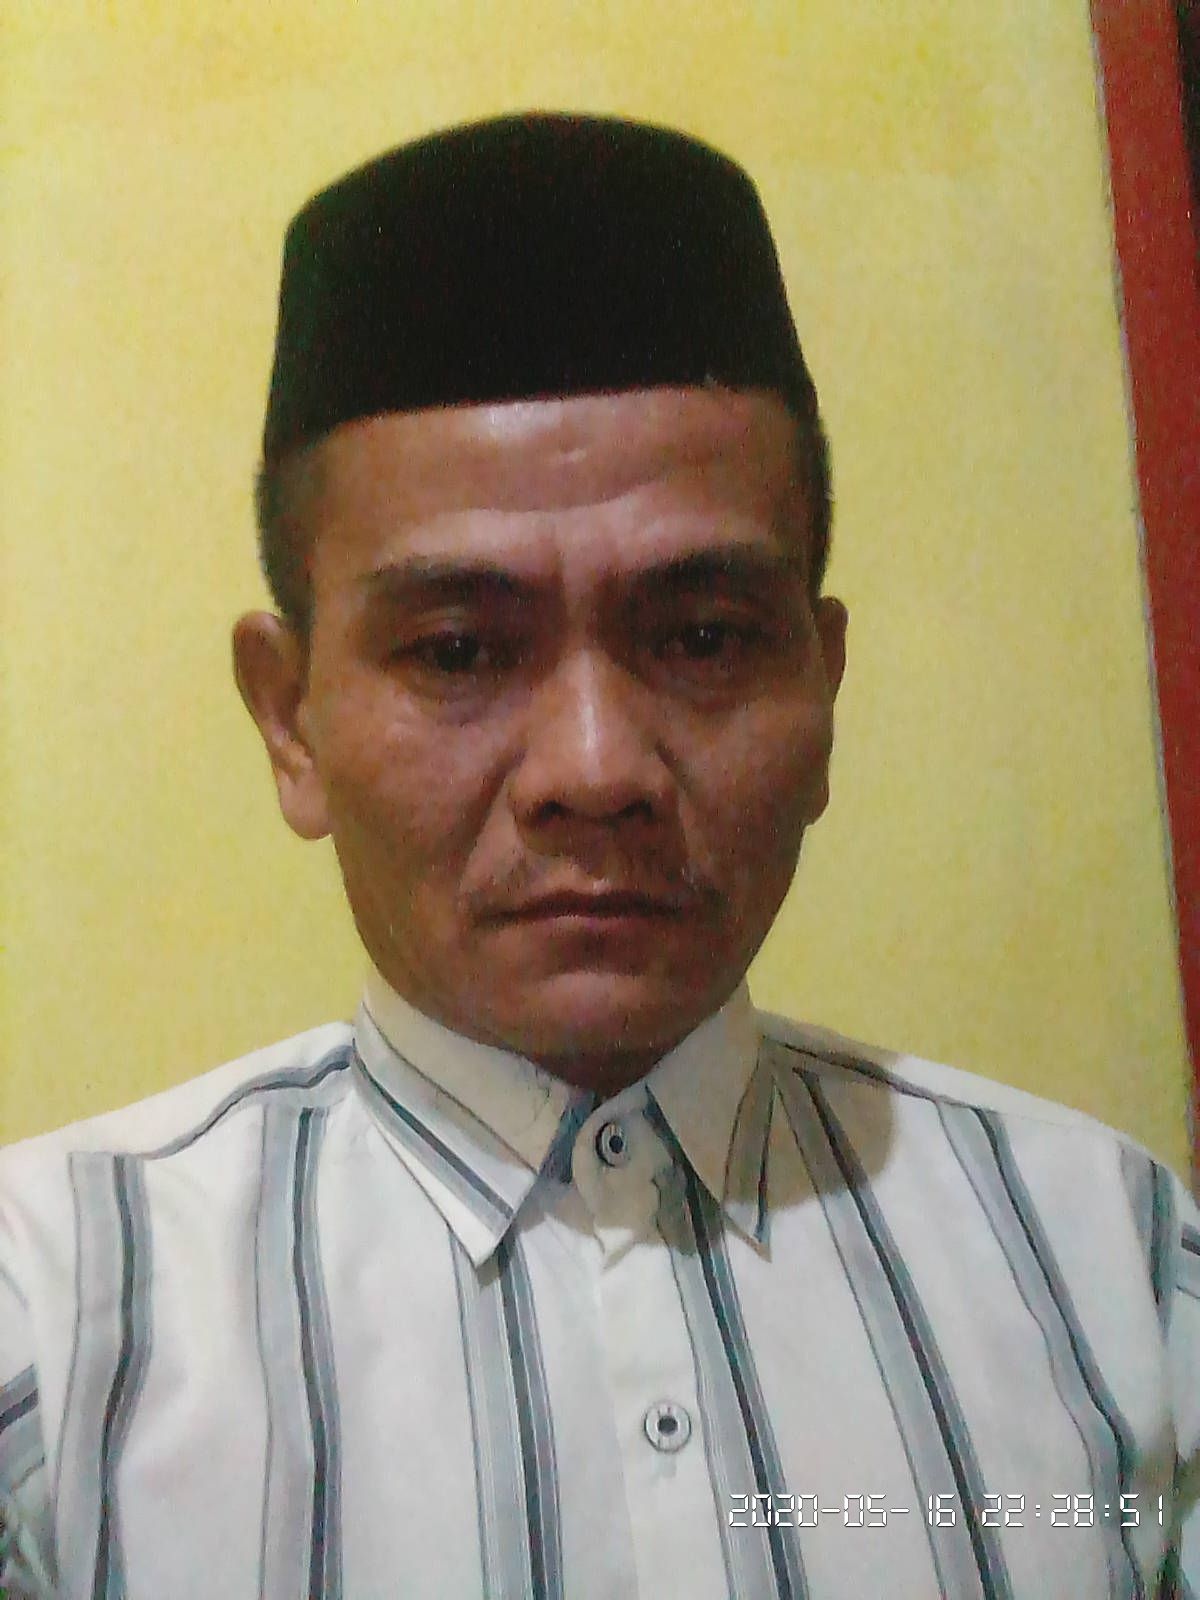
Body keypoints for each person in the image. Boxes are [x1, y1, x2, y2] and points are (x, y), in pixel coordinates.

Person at [0, 112, 1196, 1600]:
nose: (595, 770)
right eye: (457, 650)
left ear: (823, 686)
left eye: (704, 638)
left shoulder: (1113, 1271)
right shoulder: (53, 1328)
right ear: (289, 719)